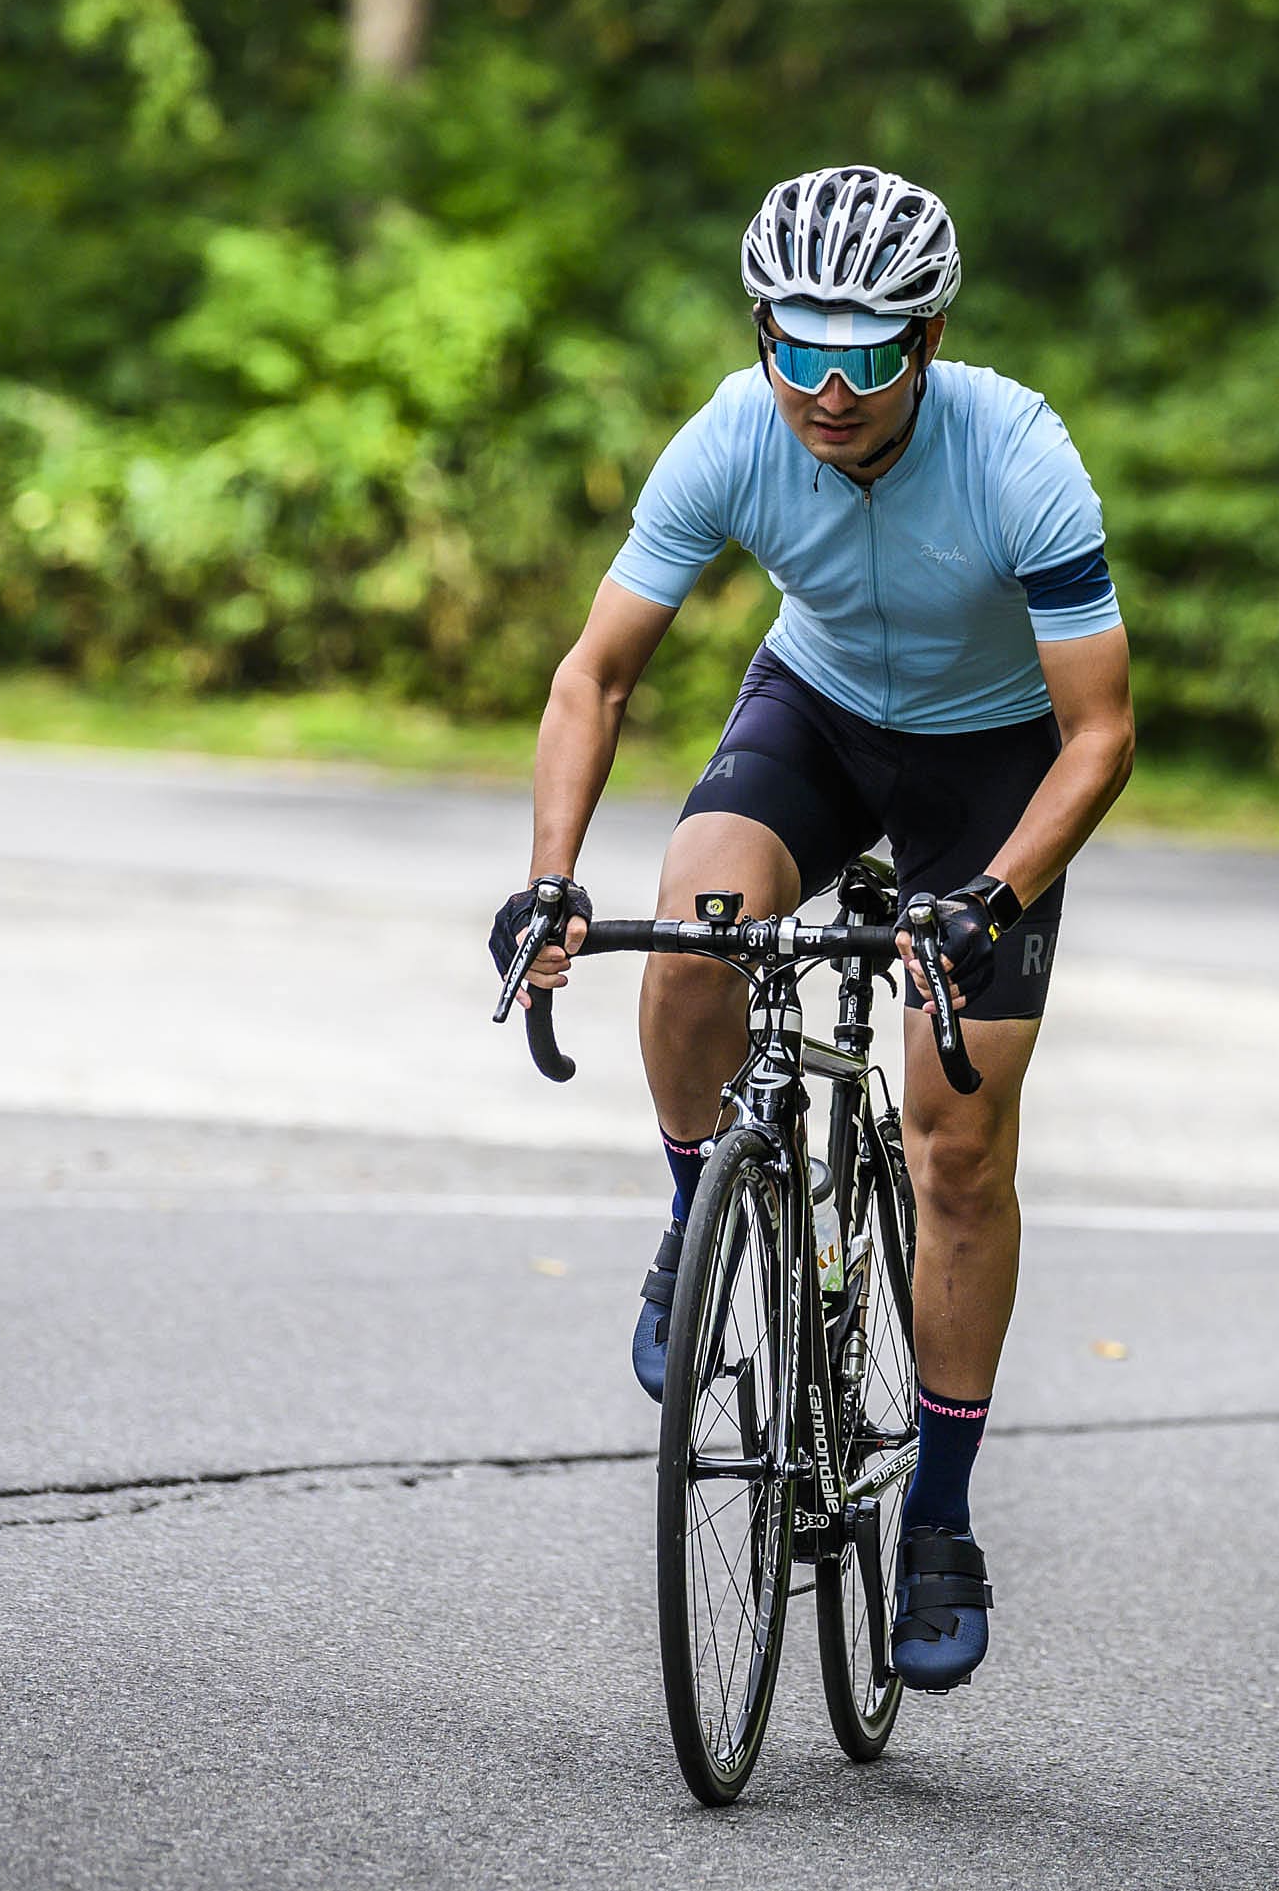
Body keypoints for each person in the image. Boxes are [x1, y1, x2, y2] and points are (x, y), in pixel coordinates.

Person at [487, 163, 1134, 1695]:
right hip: (822, 715)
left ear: (926, 343)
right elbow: (594, 675)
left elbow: (1099, 733)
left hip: (994, 766)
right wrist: (552, 872)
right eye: (796, 346)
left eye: (864, 352)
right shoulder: (731, 434)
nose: (825, 390)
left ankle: (941, 1519)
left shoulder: (1019, 453)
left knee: (956, 1138)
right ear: (761, 333)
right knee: (699, 923)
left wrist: (995, 893)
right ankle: (695, 1208)